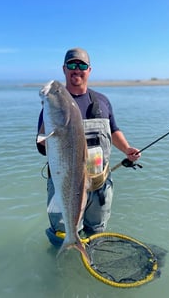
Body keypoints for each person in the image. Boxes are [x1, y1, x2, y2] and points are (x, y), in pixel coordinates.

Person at [36, 47, 141, 246]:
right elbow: (41, 147)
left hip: (99, 184)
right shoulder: (54, 104)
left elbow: (113, 130)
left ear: (89, 70)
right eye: (72, 65)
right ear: (64, 69)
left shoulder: (102, 101)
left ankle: (89, 260)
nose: (77, 69)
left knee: (97, 234)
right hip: (64, 184)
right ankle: (64, 262)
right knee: (62, 232)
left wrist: (127, 149)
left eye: (81, 65)